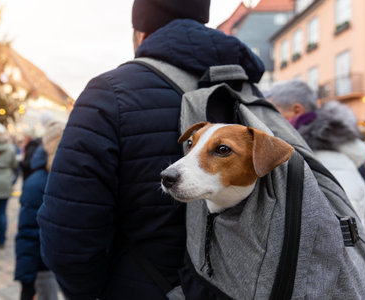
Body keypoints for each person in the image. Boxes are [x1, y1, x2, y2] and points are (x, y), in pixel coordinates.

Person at [37, 0, 265, 299]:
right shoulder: (250, 91)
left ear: (141, 32)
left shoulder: (109, 93)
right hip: (242, 286)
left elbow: (68, 232)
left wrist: (86, 293)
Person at [265, 80, 365, 227]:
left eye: (273, 111)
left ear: (296, 110)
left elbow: (345, 234)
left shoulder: (326, 161)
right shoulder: (310, 153)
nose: (266, 118)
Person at [15, 119, 65, 300]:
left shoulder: (77, 177)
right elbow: (27, 233)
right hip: (45, 264)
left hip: (72, 261)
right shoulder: (38, 181)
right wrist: (26, 280)